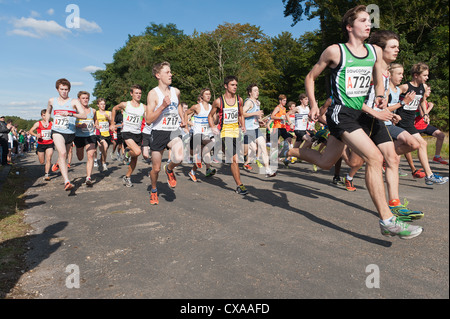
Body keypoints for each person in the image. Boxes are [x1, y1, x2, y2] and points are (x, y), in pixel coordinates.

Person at [286, 5, 423, 239]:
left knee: (326, 162)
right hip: (342, 113)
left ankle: (289, 151)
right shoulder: (335, 52)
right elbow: (310, 76)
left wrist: (380, 97)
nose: (368, 24)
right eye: (362, 20)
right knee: (374, 157)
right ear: (350, 27)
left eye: (369, 20)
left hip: (362, 115)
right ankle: (387, 220)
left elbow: (379, 78)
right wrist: (313, 103)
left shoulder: (374, 52)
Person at [396, 62, 448, 185]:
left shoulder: (423, 87)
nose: (427, 78)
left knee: (398, 150)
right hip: (401, 122)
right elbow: (390, 96)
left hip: (410, 122)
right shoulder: (404, 87)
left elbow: (422, 101)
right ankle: (429, 175)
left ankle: (427, 175)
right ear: (415, 75)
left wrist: (425, 114)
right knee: (421, 144)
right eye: (424, 75)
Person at [146, 62, 185, 205]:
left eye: (170, 72)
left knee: (179, 157)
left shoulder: (176, 91)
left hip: (174, 130)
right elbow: (149, 120)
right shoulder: (153, 94)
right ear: (158, 75)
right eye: (167, 72)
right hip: (158, 133)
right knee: (155, 169)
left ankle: (169, 169)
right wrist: (162, 106)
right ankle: (154, 189)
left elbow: (179, 104)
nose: (171, 74)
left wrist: (182, 118)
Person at [209, 75, 249, 195]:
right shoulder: (218, 101)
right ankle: (239, 185)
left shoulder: (239, 100)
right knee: (234, 159)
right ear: (226, 86)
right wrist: (212, 127)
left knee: (238, 156)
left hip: (236, 132)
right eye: (232, 85)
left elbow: (241, 114)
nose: (235, 87)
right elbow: (210, 116)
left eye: (236, 85)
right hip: (224, 132)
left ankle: (216, 148)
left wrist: (243, 125)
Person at [45, 78, 86, 191]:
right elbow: (48, 111)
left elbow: (83, 115)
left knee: (65, 155)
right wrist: (47, 121)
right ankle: (66, 181)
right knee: (62, 153)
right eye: (62, 89)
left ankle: (58, 163)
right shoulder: (52, 100)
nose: (64, 92)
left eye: (66, 89)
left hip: (70, 132)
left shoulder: (74, 102)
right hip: (57, 131)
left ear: (69, 90)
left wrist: (70, 114)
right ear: (57, 89)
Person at [111, 85, 146, 188]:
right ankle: (126, 152)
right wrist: (112, 123)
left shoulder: (144, 107)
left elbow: (149, 119)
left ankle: (127, 177)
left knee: (135, 158)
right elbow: (114, 109)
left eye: (140, 93)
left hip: (137, 134)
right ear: (131, 94)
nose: (138, 95)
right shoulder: (125, 104)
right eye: (136, 93)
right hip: (127, 132)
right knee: (138, 151)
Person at [242, 83, 276, 177]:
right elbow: (242, 114)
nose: (257, 92)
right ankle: (241, 160)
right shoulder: (249, 102)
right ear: (250, 93)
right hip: (248, 130)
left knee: (263, 147)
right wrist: (255, 113)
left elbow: (255, 117)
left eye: (258, 90)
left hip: (256, 129)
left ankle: (268, 170)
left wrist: (260, 121)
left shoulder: (258, 103)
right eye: (255, 90)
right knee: (249, 150)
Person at [184, 88, 217, 182]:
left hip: (207, 133)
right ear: (202, 96)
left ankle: (194, 171)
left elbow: (215, 121)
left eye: (209, 94)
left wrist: (218, 119)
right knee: (207, 145)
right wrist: (186, 126)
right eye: (206, 94)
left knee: (205, 153)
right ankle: (202, 164)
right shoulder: (197, 107)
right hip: (197, 133)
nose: (208, 95)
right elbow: (186, 113)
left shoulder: (212, 107)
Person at [413, 85, 448, 165]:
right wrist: (430, 107)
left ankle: (437, 156)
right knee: (410, 145)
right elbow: (422, 114)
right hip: (416, 127)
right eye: (428, 90)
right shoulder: (419, 100)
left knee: (441, 135)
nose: (430, 91)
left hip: (424, 126)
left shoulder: (425, 101)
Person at [74, 91, 97, 185]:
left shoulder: (93, 110)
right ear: (79, 99)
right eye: (83, 98)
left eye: (87, 98)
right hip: (79, 136)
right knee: (80, 157)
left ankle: (88, 177)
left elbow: (95, 120)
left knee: (91, 155)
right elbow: (71, 123)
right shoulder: (75, 111)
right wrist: (79, 125)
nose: (85, 100)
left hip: (90, 135)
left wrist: (96, 125)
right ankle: (79, 151)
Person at [29, 110, 54, 181]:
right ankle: (38, 152)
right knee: (42, 162)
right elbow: (30, 131)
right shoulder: (38, 123)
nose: (45, 117)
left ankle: (46, 174)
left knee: (48, 158)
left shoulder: (51, 123)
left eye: (47, 115)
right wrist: (36, 135)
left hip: (49, 143)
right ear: (41, 116)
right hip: (41, 144)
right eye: (44, 115)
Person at [271, 94, 292, 159]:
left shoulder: (284, 108)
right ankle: (272, 158)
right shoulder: (278, 108)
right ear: (280, 101)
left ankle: (284, 153)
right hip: (277, 127)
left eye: (285, 101)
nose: (285, 102)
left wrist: (289, 122)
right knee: (275, 144)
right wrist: (280, 117)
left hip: (283, 127)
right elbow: (272, 116)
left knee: (289, 139)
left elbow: (286, 116)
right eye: (284, 100)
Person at [95, 98, 113, 172]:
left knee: (104, 150)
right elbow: (95, 123)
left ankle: (101, 160)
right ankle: (104, 163)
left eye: (104, 104)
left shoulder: (109, 112)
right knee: (104, 147)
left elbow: (112, 122)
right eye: (101, 104)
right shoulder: (96, 113)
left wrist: (108, 118)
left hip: (107, 134)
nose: (103, 105)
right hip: (100, 134)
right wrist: (96, 126)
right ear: (98, 105)